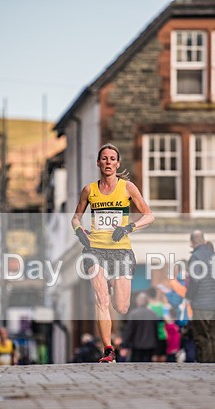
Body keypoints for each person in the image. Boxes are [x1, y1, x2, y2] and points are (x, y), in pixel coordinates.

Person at [71, 143, 155, 363]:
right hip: (95, 249)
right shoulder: (90, 190)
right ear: (98, 163)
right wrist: (79, 231)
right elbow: (75, 217)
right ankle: (108, 349)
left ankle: (110, 284)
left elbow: (149, 215)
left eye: (112, 159)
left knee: (121, 306)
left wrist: (128, 227)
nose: (108, 162)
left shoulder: (127, 188)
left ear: (118, 164)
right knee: (101, 300)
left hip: (121, 251)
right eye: (104, 159)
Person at [185, 230, 215, 363]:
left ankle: (205, 365)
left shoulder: (195, 257)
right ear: (204, 240)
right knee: (212, 336)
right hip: (213, 303)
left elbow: (195, 280)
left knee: (202, 337)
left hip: (200, 304)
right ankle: (213, 363)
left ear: (192, 243)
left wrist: (189, 296)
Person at [122, 292, 160, 363]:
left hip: (137, 345)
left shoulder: (134, 314)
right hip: (150, 346)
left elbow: (129, 331)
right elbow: (156, 332)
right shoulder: (153, 314)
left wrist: (125, 345)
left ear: (138, 302)